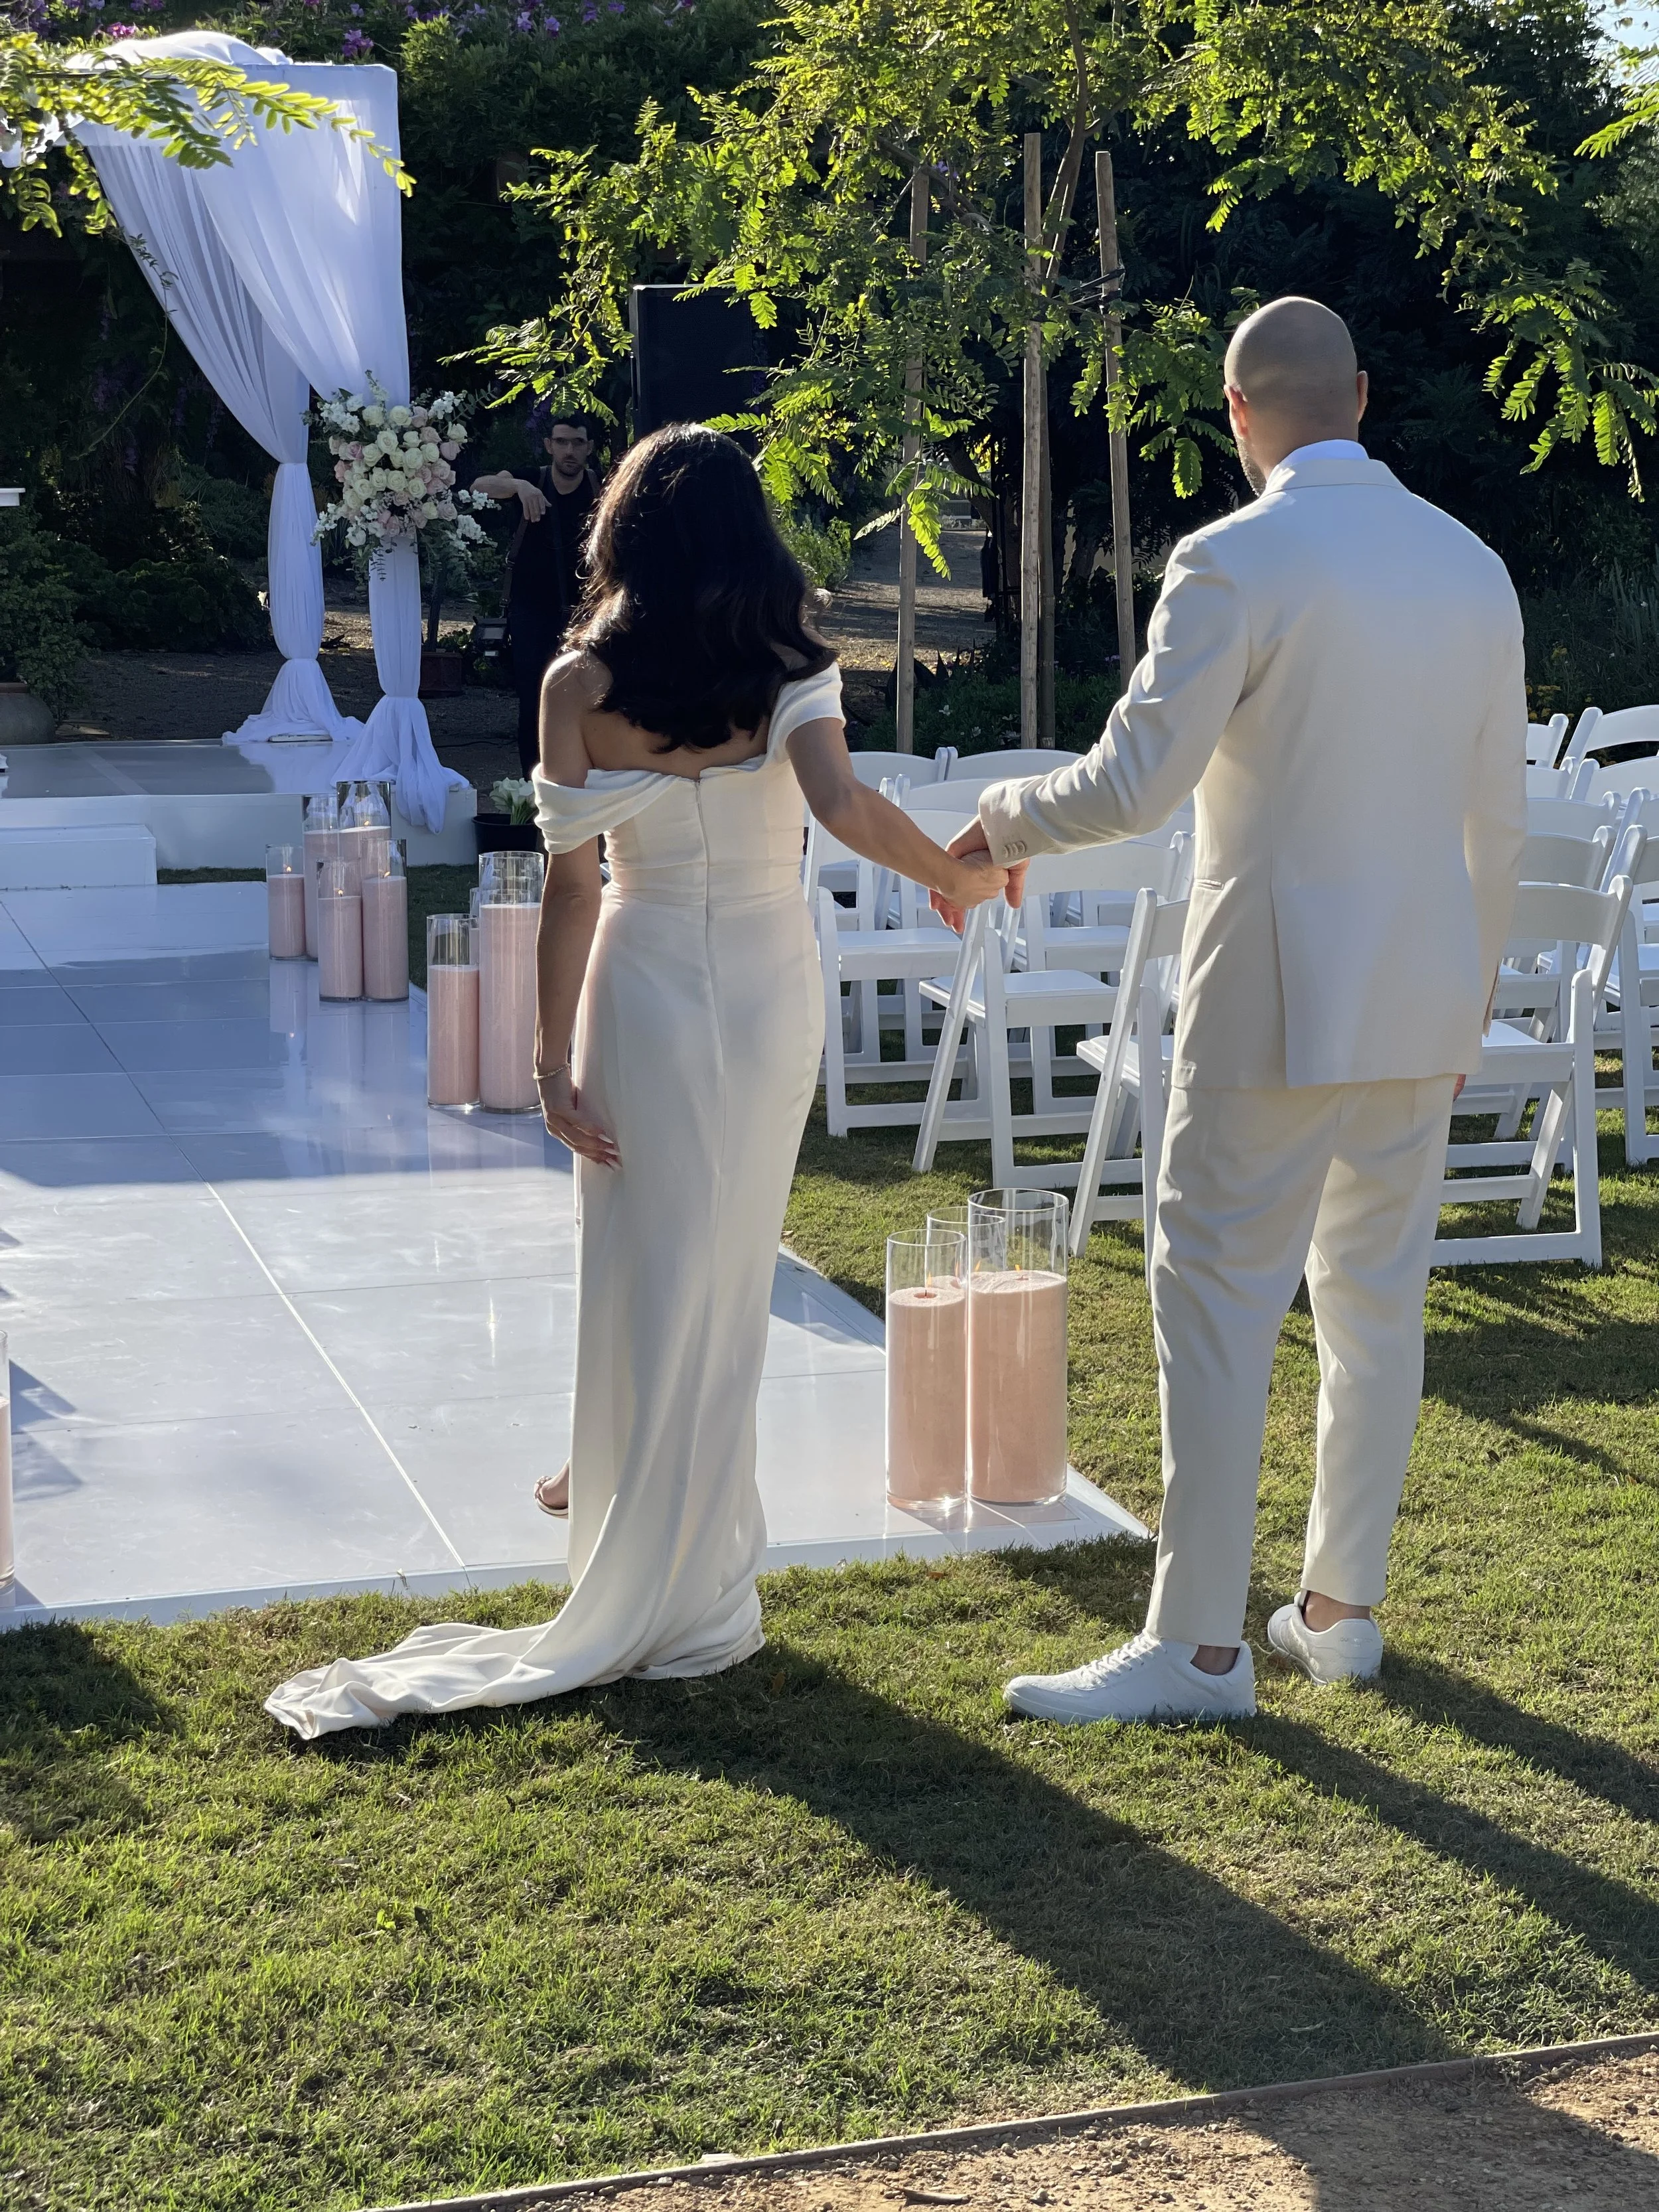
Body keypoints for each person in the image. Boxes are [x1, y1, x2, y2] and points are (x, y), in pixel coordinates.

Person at [264, 424, 1009, 1739]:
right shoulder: (796, 663)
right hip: (769, 993)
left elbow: (569, 890)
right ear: (747, 536)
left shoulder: (574, 682)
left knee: (641, 1258)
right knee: (725, 1266)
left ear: (621, 534)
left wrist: (550, 1062)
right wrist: (955, 875)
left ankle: (635, 1519)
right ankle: (687, 1561)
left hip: (641, 994)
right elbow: (839, 809)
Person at [940, 297, 1527, 1724]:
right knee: (1373, 1308)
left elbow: (1137, 784)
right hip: (1417, 1000)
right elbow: (1493, 828)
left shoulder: (1229, 557)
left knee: (1209, 1297)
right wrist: (1463, 1005)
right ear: (1365, 394)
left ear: (1235, 414)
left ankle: (1200, 1643)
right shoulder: (1472, 568)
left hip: (1265, 1000)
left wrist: (1002, 818)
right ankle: (1337, 1609)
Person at [474, 413, 603, 775]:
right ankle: (533, 784)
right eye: (561, 442)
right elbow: (479, 487)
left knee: (592, 698)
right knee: (533, 701)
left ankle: (584, 778)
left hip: (588, 613)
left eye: (578, 443)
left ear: (589, 448)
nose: (569, 451)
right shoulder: (533, 479)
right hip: (531, 613)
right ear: (548, 446)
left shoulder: (601, 487)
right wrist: (518, 487)